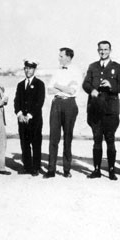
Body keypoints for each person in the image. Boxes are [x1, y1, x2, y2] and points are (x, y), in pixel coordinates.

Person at [82, 41, 120, 181]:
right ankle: (96, 170)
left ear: (110, 50)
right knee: (96, 140)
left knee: (110, 139)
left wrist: (111, 85)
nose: (103, 52)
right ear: (98, 50)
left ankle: (112, 171)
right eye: (101, 50)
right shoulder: (92, 66)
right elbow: (85, 84)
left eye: (106, 49)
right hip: (95, 109)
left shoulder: (117, 67)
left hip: (110, 111)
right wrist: (92, 90)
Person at [45, 47, 82, 178]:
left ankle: (67, 170)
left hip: (69, 104)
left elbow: (73, 91)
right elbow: (49, 90)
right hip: (56, 103)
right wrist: (64, 88)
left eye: (61, 56)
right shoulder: (57, 71)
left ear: (68, 57)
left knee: (67, 138)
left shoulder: (76, 71)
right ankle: (51, 169)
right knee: (53, 138)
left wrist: (58, 86)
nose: (59, 58)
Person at [13, 59, 46, 176]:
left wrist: (30, 115)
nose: (28, 70)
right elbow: (17, 101)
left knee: (36, 143)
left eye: (30, 68)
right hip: (22, 119)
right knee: (24, 143)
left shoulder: (40, 84)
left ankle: (36, 167)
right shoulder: (20, 85)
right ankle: (27, 166)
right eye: (26, 68)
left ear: (34, 69)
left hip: (35, 120)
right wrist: (19, 114)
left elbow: (39, 102)